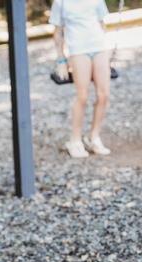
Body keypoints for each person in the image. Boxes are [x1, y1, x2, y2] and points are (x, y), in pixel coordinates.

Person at [50, 0, 112, 158]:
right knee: (82, 96)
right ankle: (75, 140)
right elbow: (58, 33)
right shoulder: (61, 3)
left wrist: (107, 53)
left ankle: (93, 137)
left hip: (99, 48)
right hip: (78, 50)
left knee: (103, 95)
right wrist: (61, 61)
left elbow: (101, 25)